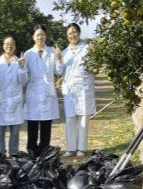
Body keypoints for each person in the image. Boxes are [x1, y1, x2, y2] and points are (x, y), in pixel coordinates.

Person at [23, 24, 63, 157]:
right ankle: (32, 150)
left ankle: (44, 150)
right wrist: (21, 68)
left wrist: (59, 58)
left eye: (43, 35)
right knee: (32, 124)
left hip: (47, 92)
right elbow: (25, 76)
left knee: (46, 124)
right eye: (38, 35)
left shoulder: (52, 52)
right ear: (33, 37)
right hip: (33, 92)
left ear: (46, 36)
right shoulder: (28, 54)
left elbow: (58, 71)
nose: (40, 37)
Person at [60, 23, 96, 156]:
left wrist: (93, 55)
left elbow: (95, 68)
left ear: (79, 33)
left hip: (84, 88)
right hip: (69, 89)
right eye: (70, 33)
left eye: (75, 32)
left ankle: (81, 148)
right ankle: (70, 148)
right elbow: (59, 71)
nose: (73, 35)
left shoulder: (87, 49)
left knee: (83, 118)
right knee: (70, 118)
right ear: (67, 36)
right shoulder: (64, 53)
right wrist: (58, 59)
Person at [0, 33, 27, 156]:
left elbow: (23, 82)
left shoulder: (19, 62)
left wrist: (22, 68)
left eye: (12, 44)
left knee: (15, 130)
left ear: (16, 46)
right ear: (3, 46)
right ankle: (0, 153)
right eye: (7, 44)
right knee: (0, 130)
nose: (9, 46)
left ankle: (14, 152)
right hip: (1, 100)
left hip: (16, 100)